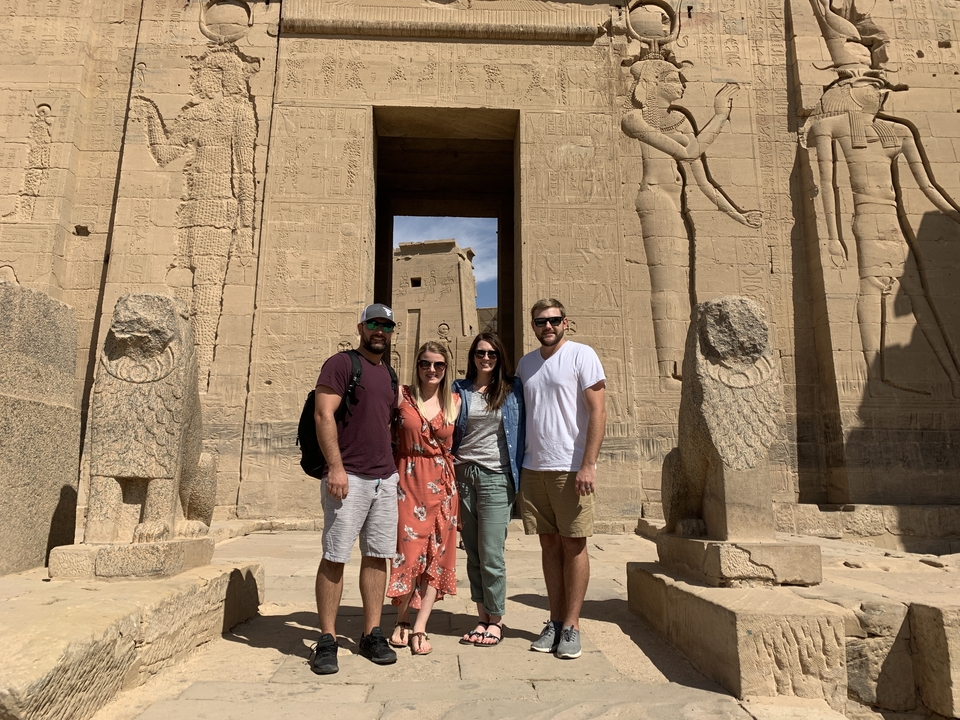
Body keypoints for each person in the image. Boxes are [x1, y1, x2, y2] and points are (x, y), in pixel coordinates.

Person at [621, 59, 761, 381]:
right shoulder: (634, 119)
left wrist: (737, 215)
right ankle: (665, 370)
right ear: (654, 84)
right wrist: (717, 118)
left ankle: (681, 366)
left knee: (681, 287)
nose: (682, 85)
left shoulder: (680, 121)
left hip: (674, 202)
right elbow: (686, 153)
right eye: (674, 78)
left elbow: (704, 180)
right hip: (655, 199)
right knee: (665, 286)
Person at [311, 303, 400, 675]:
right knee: (335, 555)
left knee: (378, 555)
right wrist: (336, 468)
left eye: (387, 325)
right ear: (362, 327)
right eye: (374, 324)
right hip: (349, 476)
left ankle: (371, 633)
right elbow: (323, 413)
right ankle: (328, 638)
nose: (380, 330)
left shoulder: (390, 374)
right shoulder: (342, 363)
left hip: (384, 476)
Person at [516, 299, 606, 660]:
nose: (548, 326)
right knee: (549, 545)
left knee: (574, 545)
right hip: (534, 465)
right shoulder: (526, 364)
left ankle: (572, 625)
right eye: (541, 321)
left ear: (565, 322)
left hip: (571, 467)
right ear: (534, 325)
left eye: (553, 320)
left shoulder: (582, 355)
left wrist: (589, 464)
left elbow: (598, 410)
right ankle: (554, 620)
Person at [451, 332, 525, 648]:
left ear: (499, 358)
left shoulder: (512, 390)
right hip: (464, 475)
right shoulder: (459, 389)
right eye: (481, 353)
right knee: (473, 553)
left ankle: (496, 620)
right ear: (472, 356)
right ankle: (482, 618)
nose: (485, 358)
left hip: (496, 477)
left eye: (492, 354)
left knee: (492, 553)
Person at [387, 342, 460, 655]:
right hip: (408, 480)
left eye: (438, 365)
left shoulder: (455, 401)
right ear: (416, 366)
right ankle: (402, 619)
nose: (432, 370)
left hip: (443, 486)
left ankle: (420, 626)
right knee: (407, 551)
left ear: (446, 369)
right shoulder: (400, 396)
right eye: (425, 364)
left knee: (437, 556)